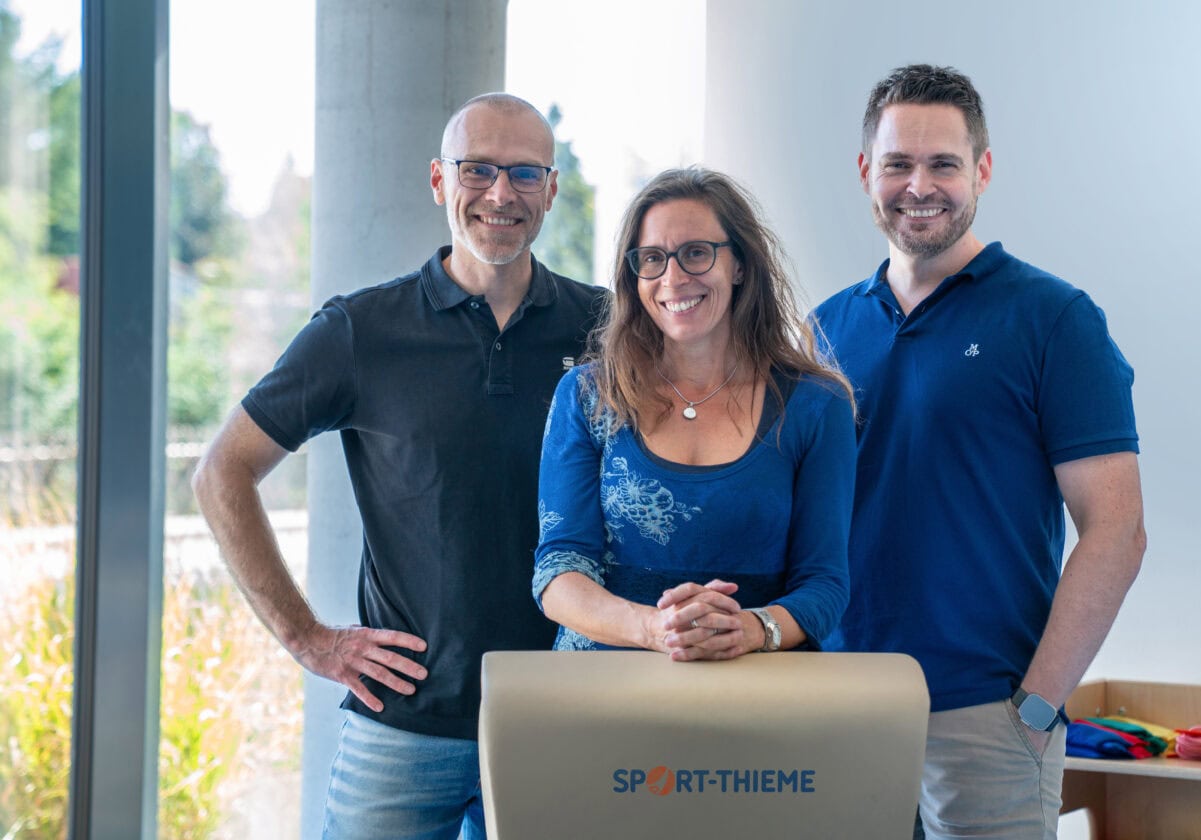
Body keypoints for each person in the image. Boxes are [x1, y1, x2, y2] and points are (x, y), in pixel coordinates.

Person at [192, 93, 606, 840]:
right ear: (440, 182)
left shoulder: (608, 328)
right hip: (405, 726)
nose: (500, 193)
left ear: (551, 188)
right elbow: (222, 472)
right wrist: (308, 639)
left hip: (565, 714)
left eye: (523, 173)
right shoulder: (362, 330)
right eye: (477, 170)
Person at [811, 65, 1146, 839]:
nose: (918, 185)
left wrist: (1038, 704)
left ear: (982, 171)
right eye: (897, 163)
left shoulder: (1053, 319)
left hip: (985, 717)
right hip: (838, 705)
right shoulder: (823, 329)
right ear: (867, 172)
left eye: (944, 164)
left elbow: (1117, 530)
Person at [533, 167, 856, 660]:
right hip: (599, 699)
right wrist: (653, 628)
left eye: (696, 253)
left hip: (757, 702)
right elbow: (558, 569)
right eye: (653, 259)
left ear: (741, 264)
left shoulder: (816, 405)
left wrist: (750, 629)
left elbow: (824, 585)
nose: (674, 277)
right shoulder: (586, 396)